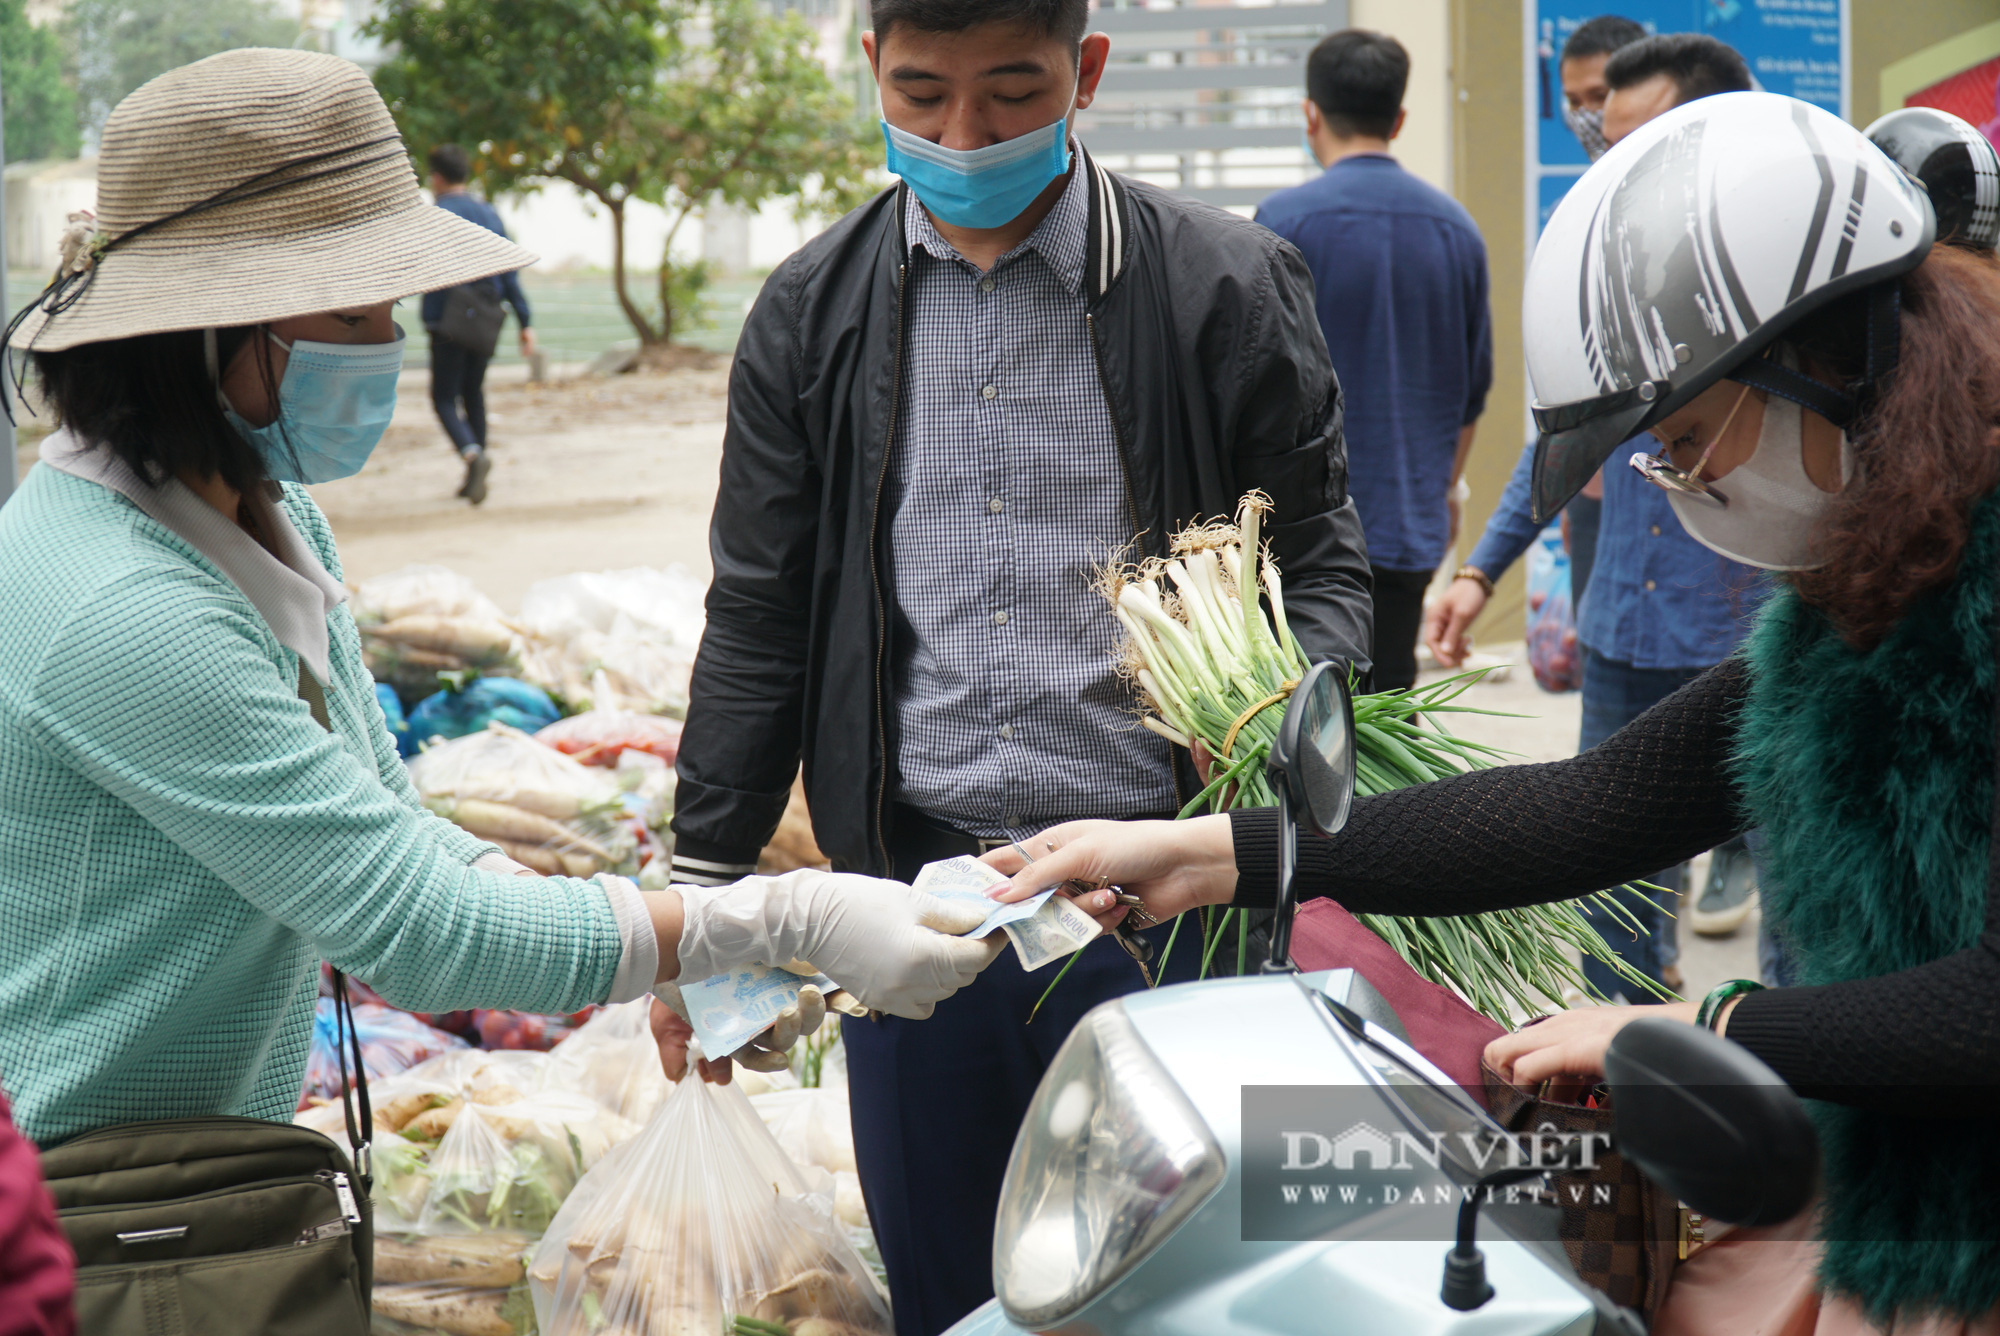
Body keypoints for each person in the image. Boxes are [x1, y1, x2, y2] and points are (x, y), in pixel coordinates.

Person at [994, 91, 2000, 1332]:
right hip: (1904, 1211)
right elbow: (1590, 807)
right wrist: (1207, 854)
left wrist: (1693, 1020)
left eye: (1686, 438)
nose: (1682, 486)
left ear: (1828, 360)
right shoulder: (1848, 611)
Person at [0, 49, 1007, 1152]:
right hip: (81, 1199)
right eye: (350, 315)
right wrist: (778, 914)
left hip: (190, 1174)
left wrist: (695, 944)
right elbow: (417, 935)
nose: (388, 345)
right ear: (196, 333)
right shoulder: (125, 607)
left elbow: (391, 817)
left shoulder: (267, 517)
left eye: (392, 309)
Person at [667, 1, 1373, 1328]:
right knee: (950, 1289)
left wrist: (1290, 739)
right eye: (922, 95)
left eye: (1010, 92)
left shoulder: (1221, 282)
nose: (963, 135)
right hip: (918, 902)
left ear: (1085, 72)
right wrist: (704, 895)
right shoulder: (811, 312)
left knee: (1190, 1290)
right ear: (872, 66)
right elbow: (757, 612)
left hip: (1164, 903)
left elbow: (1322, 558)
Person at [1425, 31, 1759, 998]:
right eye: (1598, 139)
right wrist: (1483, 569)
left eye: (1633, 142)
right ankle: (1624, 1094)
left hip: (1755, 632)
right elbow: (1560, 441)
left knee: (1795, 893)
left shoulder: (1787, 267)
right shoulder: (1602, 269)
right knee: (1615, 893)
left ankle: (1780, 1103)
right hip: (1624, 629)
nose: (1608, 165)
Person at [1255, 29, 1492, 692]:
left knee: (1309, 724)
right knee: (1391, 709)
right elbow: (1472, 391)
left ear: (1311, 114)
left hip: (1306, 534)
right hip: (1409, 520)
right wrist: (1445, 492)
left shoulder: (1282, 222)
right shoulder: (1456, 229)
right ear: (1399, 118)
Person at [1551, 16, 1647, 606]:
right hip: (1595, 497)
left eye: (1599, 97)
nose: (1586, 115)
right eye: (1572, 100)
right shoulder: (1580, 209)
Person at [421, 143, 535, 507]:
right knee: (474, 392)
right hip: (486, 317)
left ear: (436, 177)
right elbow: (510, 269)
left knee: (443, 397)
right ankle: (477, 468)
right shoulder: (488, 212)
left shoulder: (436, 213)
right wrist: (524, 320)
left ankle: (472, 455)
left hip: (448, 319)